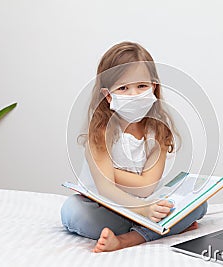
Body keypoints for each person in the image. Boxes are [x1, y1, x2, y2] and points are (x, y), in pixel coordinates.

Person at [61, 41, 208, 253]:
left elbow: (147, 187)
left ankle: (128, 238)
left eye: (141, 86)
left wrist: (108, 174)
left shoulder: (158, 132)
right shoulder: (101, 131)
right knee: (73, 211)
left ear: (154, 87)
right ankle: (163, 228)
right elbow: (105, 189)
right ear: (108, 95)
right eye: (123, 88)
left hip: (147, 205)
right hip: (107, 207)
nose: (133, 95)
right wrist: (140, 208)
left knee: (200, 204)